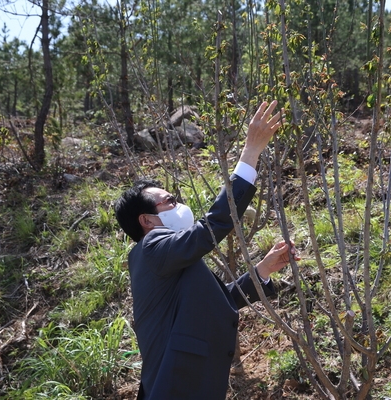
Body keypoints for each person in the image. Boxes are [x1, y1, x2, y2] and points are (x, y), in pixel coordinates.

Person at [114, 100, 299, 400]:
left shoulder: (166, 261)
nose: (179, 205)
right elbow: (211, 228)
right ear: (147, 220)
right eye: (169, 201)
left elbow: (217, 301)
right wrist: (250, 152)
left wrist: (262, 270)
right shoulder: (150, 249)